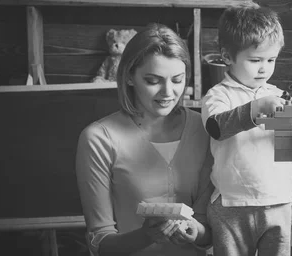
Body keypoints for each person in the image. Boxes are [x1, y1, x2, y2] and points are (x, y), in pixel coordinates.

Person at [76, 24, 213, 256]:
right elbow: (100, 242)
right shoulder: (98, 139)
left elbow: (209, 231)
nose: (168, 92)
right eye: (153, 81)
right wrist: (145, 235)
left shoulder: (205, 129)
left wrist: (196, 231)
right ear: (130, 76)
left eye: (177, 80)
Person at [201, 4, 292, 256]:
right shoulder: (218, 95)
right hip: (232, 204)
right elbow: (216, 127)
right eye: (255, 60)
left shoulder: (277, 95)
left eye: (271, 60)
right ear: (227, 57)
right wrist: (256, 109)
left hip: (279, 200)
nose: (264, 68)